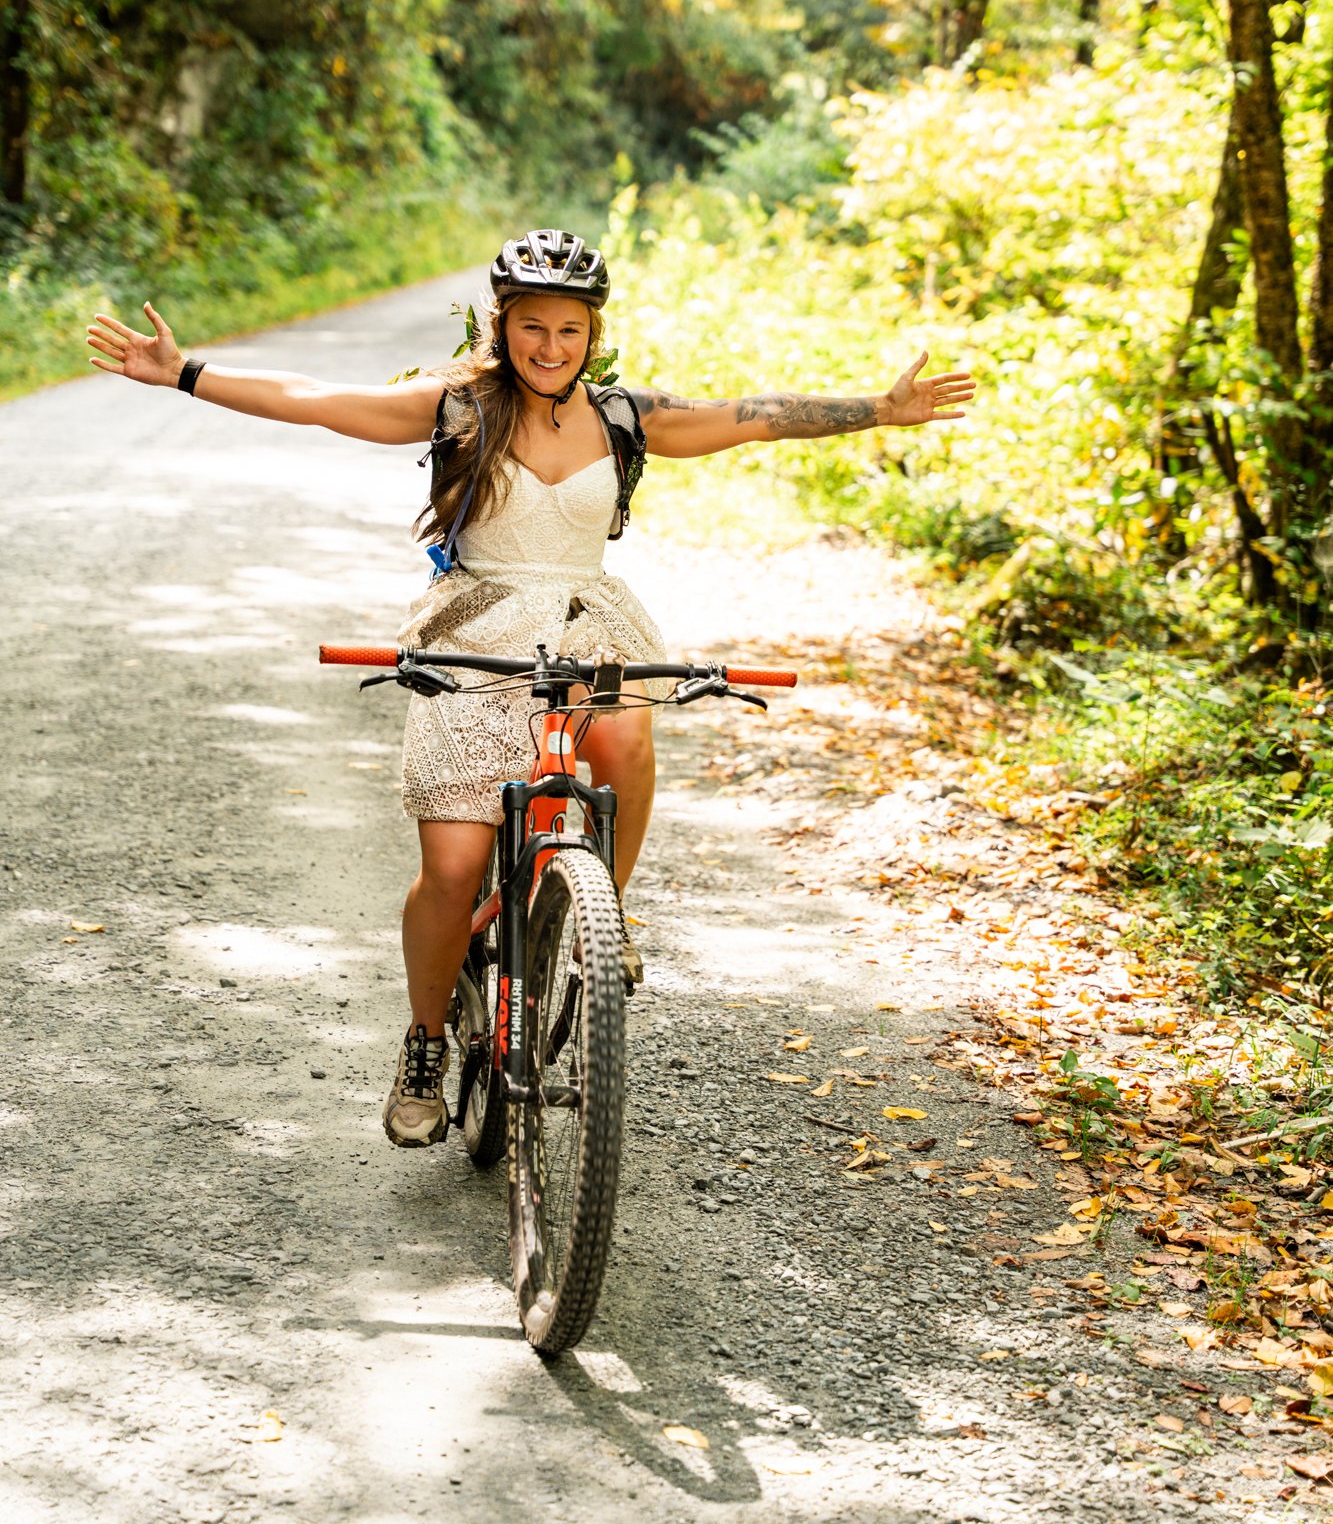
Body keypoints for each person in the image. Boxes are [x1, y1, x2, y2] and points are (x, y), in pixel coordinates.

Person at [86, 228, 976, 1150]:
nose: (550, 347)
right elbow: (314, 401)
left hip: (589, 622)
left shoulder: (625, 417)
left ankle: (602, 919)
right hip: (475, 629)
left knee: (623, 737)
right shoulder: (456, 407)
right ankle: (425, 1043)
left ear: (592, 334)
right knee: (454, 866)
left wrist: (879, 409)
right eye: (532, 327)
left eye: (568, 330)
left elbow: (754, 415)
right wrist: (184, 373)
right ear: (502, 325)